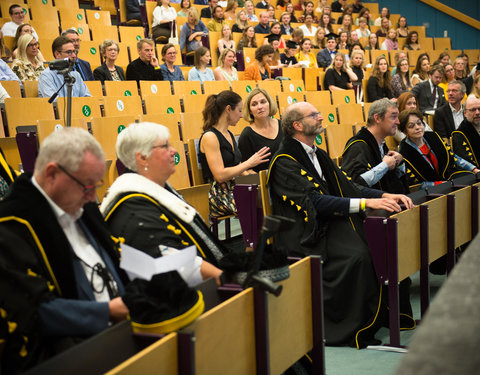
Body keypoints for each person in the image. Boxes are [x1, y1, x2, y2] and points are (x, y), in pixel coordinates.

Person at [267, 100, 413, 348]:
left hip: (329, 221)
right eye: (314, 115)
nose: (321, 117)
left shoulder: (317, 153)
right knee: (359, 256)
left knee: (384, 242)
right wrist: (365, 205)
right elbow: (313, 202)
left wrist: (384, 196)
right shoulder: (284, 161)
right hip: (305, 232)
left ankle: (382, 315)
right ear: (297, 125)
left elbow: (347, 185)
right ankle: (351, 327)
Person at [0, 128, 128, 373]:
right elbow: (31, 312)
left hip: (122, 338)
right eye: (87, 186)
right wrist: (107, 312)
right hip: (68, 356)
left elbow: (115, 255)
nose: (93, 196)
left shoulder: (83, 205)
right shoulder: (10, 225)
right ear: (52, 174)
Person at [100, 123, 225, 278]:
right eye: (165, 146)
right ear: (143, 158)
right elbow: (167, 264)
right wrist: (224, 277)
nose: (174, 151)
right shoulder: (132, 209)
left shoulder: (158, 188)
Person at [198, 91, 270, 216]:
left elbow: (237, 165)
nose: (242, 116)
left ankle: (270, 235)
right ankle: (255, 236)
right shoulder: (210, 137)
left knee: (268, 193)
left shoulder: (229, 134)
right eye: (240, 110)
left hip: (235, 185)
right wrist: (249, 163)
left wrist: (252, 177)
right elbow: (220, 175)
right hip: (219, 192)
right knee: (257, 201)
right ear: (228, 109)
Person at [341, 98, 410, 194]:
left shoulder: (381, 144)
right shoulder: (357, 146)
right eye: (393, 117)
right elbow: (354, 185)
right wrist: (385, 165)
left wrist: (399, 164)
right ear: (377, 118)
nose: (398, 122)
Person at [398, 108, 478, 187]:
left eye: (419, 123)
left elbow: (453, 157)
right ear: (404, 131)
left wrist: (473, 169)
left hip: (449, 177)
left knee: (471, 178)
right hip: (430, 191)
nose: (417, 127)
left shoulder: (433, 136)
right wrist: (439, 184)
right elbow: (414, 185)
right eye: (411, 126)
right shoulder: (404, 152)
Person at [238, 88, 283, 172]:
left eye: (263, 102)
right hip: (264, 182)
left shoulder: (283, 125)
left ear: (269, 103)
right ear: (250, 110)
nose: (260, 107)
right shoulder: (247, 135)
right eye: (254, 104)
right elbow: (246, 169)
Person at [452, 96, 480, 168]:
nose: (477, 112)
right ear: (465, 113)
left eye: (479, 109)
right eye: (473, 110)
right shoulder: (459, 134)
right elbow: (466, 162)